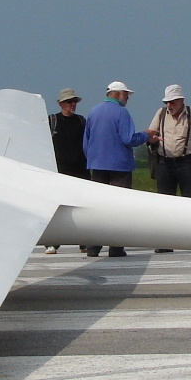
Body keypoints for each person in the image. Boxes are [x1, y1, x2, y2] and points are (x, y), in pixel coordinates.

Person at [82, 81, 160, 257]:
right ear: (118, 94)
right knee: (119, 209)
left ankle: (93, 247)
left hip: (97, 165)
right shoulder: (121, 113)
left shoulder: (94, 111)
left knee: (97, 208)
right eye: (126, 94)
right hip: (119, 167)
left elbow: (86, 142)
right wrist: (146, 135)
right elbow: (128, 139)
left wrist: (93, 159)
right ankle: (116, 247)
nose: (127, 98)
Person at [148, 84, 191, 253]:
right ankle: (165, 242)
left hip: (185, 162)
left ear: (181, 101)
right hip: (165, 162)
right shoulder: (161, 113)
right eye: (167, 102)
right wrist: (152, 140)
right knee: (164, 203)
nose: (169, 106)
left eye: (172, 102)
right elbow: (151, 132)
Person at [44, 88, 90, 254]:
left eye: (74, 101)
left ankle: (83, 240)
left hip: (81, 170)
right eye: (69, 101)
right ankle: (53, 242)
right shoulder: (52, 120)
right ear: (60, 103)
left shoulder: (81, 121)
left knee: (82, 207)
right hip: (59, 172)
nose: (73, 105)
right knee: (57, 207)